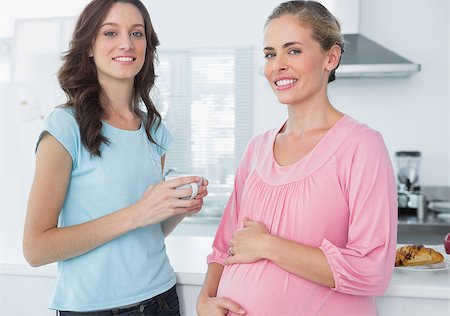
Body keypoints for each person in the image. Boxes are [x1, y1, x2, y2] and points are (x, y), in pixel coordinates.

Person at [197, 1, 397, 315]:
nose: (277, 65)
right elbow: (224, 247)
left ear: (330, 57)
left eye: (293, 50)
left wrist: (268, 246)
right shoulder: (257, 149)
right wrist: (204, 301)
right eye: (270, 53)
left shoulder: (361, 146)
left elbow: (371, 270)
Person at [23, 0, 208, 314]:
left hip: (161, 299)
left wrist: (176, 208)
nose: (126, 43)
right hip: (93, 308)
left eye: (137, 33)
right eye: (111, 32)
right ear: (89, 47)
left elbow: (148, 229)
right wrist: (136, 213)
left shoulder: (153, 128)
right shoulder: (64, 127)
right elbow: (36, 249)